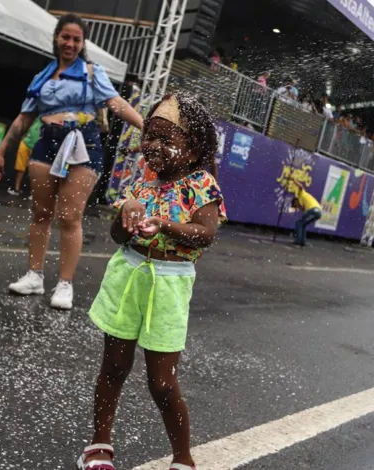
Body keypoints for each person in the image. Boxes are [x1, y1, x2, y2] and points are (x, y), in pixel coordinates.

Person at [75, 93, 225, 470]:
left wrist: (164, 225)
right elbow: (118, 237)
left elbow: (205, 234)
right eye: (149, 135)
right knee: (113, 366)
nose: (152, 145)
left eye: (165, 138)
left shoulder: (202, 184)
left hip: (170, 285)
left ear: (192, 150)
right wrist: (124, 214)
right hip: (129, 275)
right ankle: (99, 445)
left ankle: (183, 458)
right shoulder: (142, 186)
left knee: (162, 382)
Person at [0, 14, 143, 310]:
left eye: (76, 39)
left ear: (83, 43)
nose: (70, 43)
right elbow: (24, 118)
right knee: (41, 213)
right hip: (47, 141)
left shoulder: (91, 72)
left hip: (83, 143)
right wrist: (0, 151)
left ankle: (65, 283)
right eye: (65, 37)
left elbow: (115, 103)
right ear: (56, 38)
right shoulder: (42, 77)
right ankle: (34, 275)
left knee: (70, 216)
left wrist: (144, 126)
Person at [8, 118, 42, 197]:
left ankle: (33, 194)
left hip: (37, 146)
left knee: (35, 171)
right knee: (20, 168)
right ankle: (16, 189)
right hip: (26, 143)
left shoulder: (48, 116)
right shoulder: (35, 114)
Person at [292, 181, 322, 247]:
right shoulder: (304, 202)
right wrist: (299, 207)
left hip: (313, 210)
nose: (297, 207)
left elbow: (301, 186)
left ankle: (298, 241)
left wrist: (293, 179)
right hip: (318, 212)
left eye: (295, 205)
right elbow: (303, 209)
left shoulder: (301, 194)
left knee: (299, 223)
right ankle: (302, 242)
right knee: (303, 224)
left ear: (296, 201)